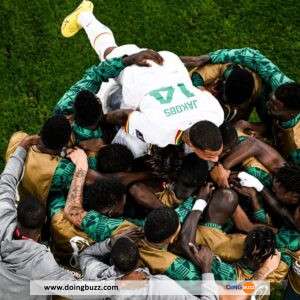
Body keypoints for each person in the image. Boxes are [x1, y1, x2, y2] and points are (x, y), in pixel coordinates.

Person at [61, 1, 225, 161]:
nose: (216, 159)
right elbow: (125, 116)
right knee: (107, 52)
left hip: (170, 65)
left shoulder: (217, 115)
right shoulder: (159, 132)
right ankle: (84, 15)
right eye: (210, 155)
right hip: (138, 73)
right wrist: (100, 119)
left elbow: (202, 91)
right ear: (191, 144)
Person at [0, 135, 74, 300]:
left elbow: (7, 180)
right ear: (43, 225)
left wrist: (22, 147)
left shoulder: (2, 215)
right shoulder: (44, 264)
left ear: (16, 212)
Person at [79, 229, 204, 300]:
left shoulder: (97, 276)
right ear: (140, 260)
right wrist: (207, 268)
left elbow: (85, 255)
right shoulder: (162, 287)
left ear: (112, 261)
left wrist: (110, 243)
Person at [182, 48, 294, 124]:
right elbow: (254, 57)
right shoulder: (281, 85)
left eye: (275, 105)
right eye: (272, 100)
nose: (270, 102)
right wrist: (207, 58)